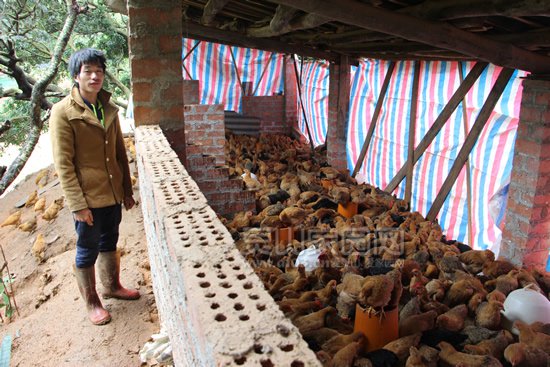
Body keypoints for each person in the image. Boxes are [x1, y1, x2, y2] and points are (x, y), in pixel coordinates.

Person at [50, 48, 139, 325]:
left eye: (99, 71)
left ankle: (112, 286)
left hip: (111, 192)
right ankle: (92, 303)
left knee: (109, 241)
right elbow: (63, 164)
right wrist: (77, 205)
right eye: (88, 71)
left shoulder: (108, 108)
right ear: (76, 76)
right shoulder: (62, 112)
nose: (94, 76)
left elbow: (119, 152)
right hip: (87, 198)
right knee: (87, 249)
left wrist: (126, 190)